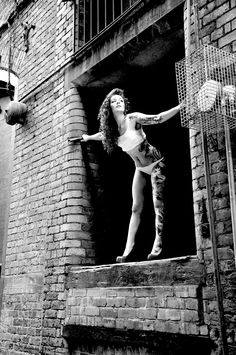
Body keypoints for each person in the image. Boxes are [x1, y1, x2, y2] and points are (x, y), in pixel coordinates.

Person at [82, 88, 181, 263]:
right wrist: (88, 138)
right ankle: (127, 251)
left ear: (124, 104)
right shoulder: (112, 130)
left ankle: (157, 245)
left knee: (158, 204)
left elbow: (158, 118)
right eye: (114, 101)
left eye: (120, 100)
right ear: (109, 108)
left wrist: (180, 107)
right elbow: (101, 136)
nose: (118, 102)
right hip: (140, 169)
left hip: (156, 164)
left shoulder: (133, 118)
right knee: (135, 208)